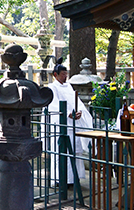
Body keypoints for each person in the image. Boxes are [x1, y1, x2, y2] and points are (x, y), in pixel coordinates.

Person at [45, 58, 93, 186]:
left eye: (66, 74)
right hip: (61, 124)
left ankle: (73, 179)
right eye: (63, 74)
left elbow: (78, 103)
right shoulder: (52, 88)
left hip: (73, 124)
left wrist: (80, 112)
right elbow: (53, 107)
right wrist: (68, 114)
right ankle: (60, 180)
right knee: (61, 153)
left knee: (74, 152)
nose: (65, 77)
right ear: (55, 75)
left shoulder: (69, 87)